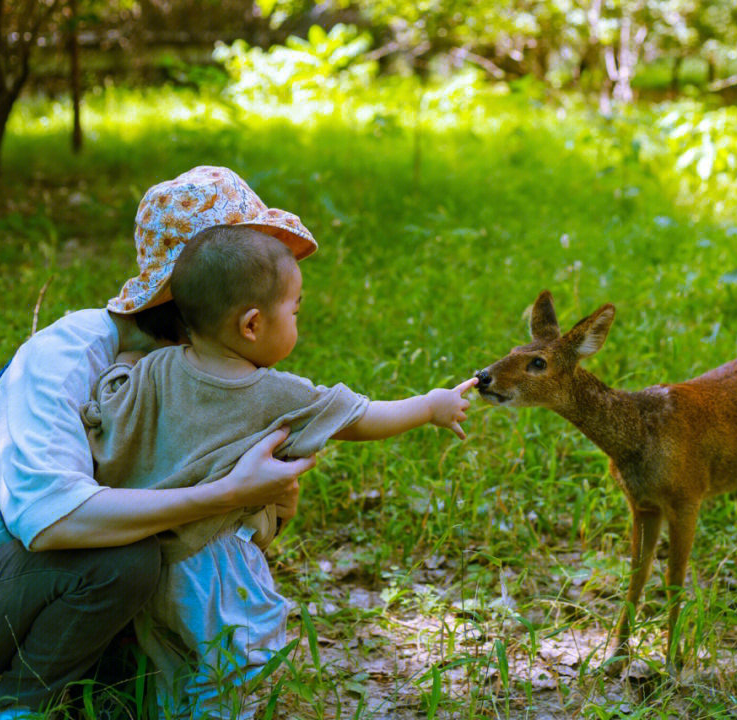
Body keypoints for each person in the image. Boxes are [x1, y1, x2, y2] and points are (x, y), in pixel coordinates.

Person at [0, 166, 320, 719]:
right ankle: (20, 708)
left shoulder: (204, 372)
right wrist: (224, 493)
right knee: (123, 562)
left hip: (55, 594)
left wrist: (265, 507)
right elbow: (54, 521)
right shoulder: (68, 356)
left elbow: (205, 530)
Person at [82, 224, 475, 718]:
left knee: (171, 671)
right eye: (295, 310)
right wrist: (431, 405)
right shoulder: (272, 394)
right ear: (251, 325)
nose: (298, 322)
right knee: (241, 662)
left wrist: (121, 365)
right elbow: (362, 417)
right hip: (215, 565)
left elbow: (109, 409)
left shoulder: (155, 369)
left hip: (148, 561)